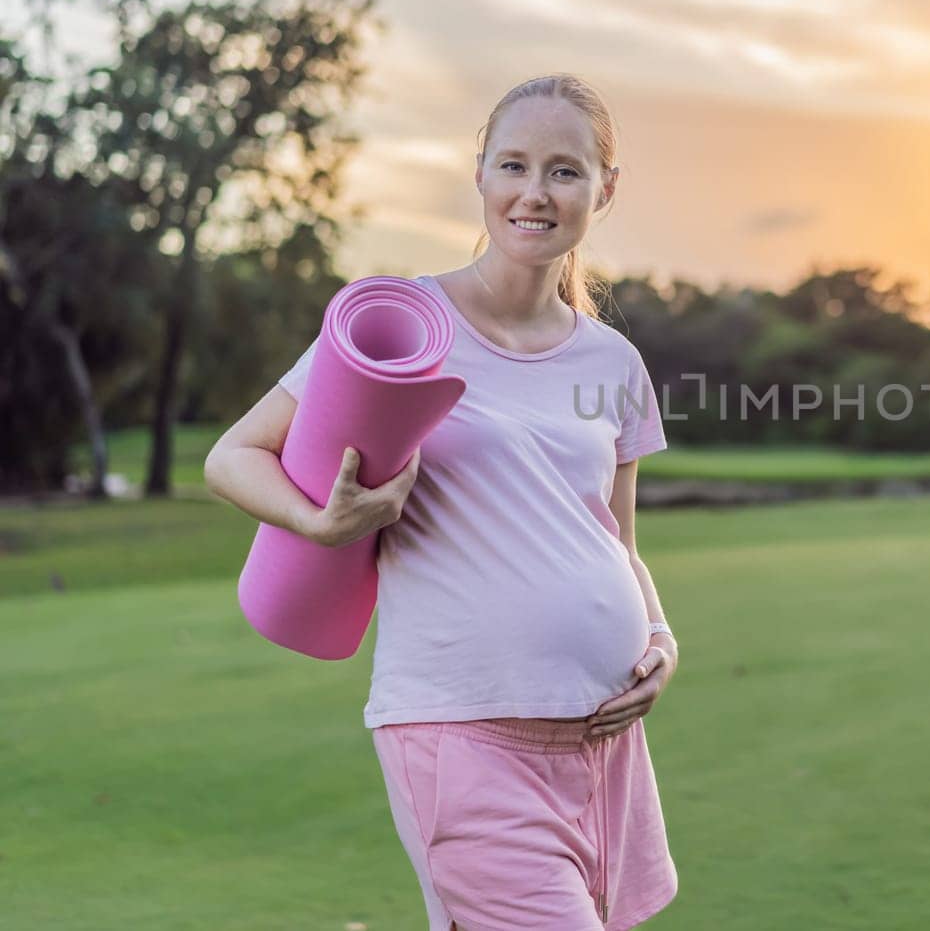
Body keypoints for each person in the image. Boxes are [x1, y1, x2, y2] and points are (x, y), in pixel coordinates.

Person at [204, 74, 680, 930]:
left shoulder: (614, 364)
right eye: (515, 165)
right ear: (481, 175)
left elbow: (619, 539)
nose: (535, 193)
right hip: (461, 733)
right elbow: (233, 454)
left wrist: (659, 636)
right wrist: (318, 520)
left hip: (605, 746)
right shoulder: (406, 322)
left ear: (605, 188)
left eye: (564, 171)